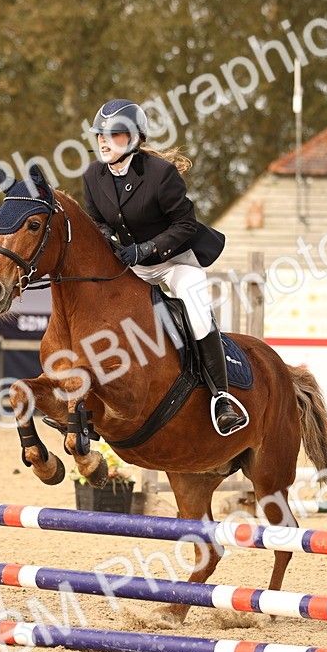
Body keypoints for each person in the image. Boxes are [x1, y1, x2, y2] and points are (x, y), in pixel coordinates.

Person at [81, 98, 248, 436]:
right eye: (100, 135)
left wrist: (147, 248)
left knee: (197, 312)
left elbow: (185, 224)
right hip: (132, 266)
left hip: (174, 262)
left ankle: (222, 398)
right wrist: (109, 240)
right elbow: (97, 221)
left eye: (113, 135)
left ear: (134, 138)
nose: (104, 142)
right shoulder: (92, 176)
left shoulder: (160, 174)